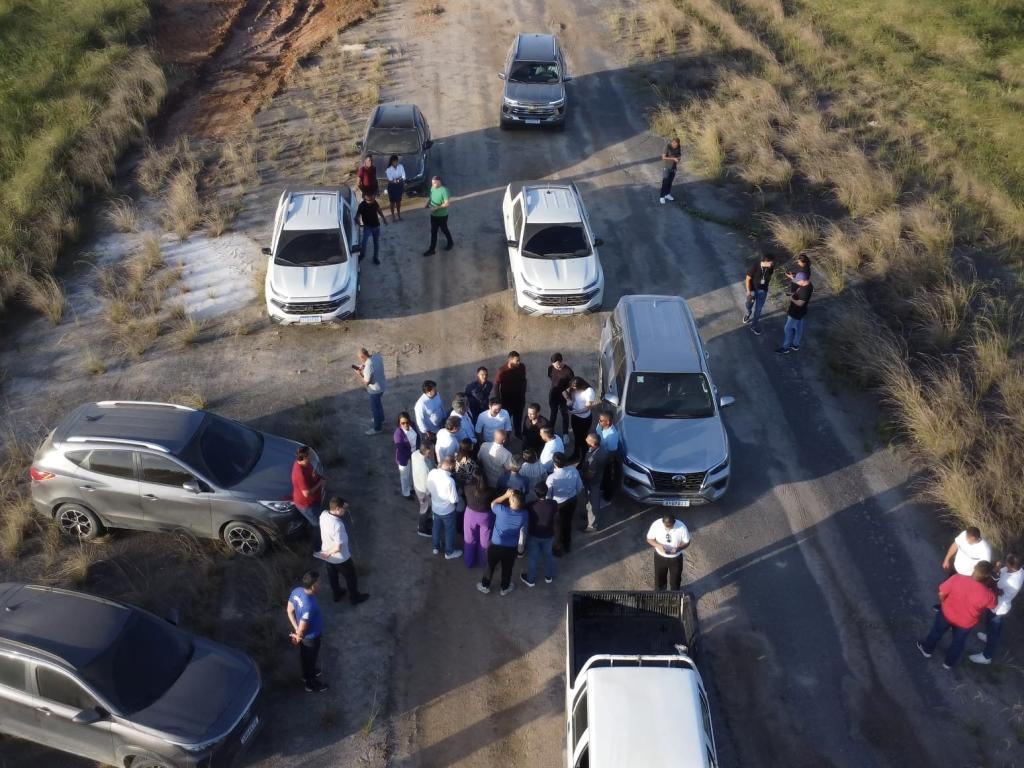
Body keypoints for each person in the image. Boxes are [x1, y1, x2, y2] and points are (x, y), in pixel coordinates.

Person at [918, 561, 997, 669]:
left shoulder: (957, 578)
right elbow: (993, 606)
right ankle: (948, 663)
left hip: (946, 614)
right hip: (965, 623)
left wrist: (943, 603)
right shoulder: (988, 595)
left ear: (974, 568)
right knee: (958, 642)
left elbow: (941, 593)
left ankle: (927, 650)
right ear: (988, 578)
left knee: (936, 632)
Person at [970, 554, 1022, 665]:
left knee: (994, 629)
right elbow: (997, 584)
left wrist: (996, 569)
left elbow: (993, 584)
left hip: (999, 607)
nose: (1004, 563)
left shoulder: (1011, 580)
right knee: (991, 625)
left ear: (1011, 566)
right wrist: (997, 573)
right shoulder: (1018, 570)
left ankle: (986, 656)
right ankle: (988, 637)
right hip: (999, 604)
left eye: (1007, 562)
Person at [317, 497, 370, 606]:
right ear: (337, 509)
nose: (344, 511)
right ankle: (354, 597)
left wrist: (326, 554)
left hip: (327, 554)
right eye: (343, 509)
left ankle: (337, 594)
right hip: (341, 558)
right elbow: (338, 547)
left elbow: (335, 505)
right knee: (351, 577)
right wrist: (329, 553)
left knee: (333, 576)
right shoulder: (337, 525)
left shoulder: (324, 515)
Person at [478, 489, 527, 596]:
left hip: (496, 546)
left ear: (512, 501)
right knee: (507, 568)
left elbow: (493, 503)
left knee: (490, 566)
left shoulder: (502, 510)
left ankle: (485, 586)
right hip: (511, 548)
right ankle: (504, 588)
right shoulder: (524, 515)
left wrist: (505, 495)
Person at [286, 570, 327, 692]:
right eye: (320, 582)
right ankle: (311, 684)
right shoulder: (309, 606)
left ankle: (306, 675)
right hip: (311, 638)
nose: (322, 583)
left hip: (304, 637)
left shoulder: (297, 591)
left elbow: (289, 610)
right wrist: (299, 633)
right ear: (313, 586)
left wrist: (296, 630)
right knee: (310, 659)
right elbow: (303, 627)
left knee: (305, 656)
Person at [522, 481, 557, 587]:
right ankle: (548, 576)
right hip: (548, 535)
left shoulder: (530, 505)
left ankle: (531, 580)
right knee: (548, 555)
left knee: (533, 557)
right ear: (546, 492)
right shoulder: (553, 503)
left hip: (534, 535)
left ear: (536, 493)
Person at [547, 452, 583, 555]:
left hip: (558, 505)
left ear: (554, 463)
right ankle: (567, 546)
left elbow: (548, 496)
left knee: (557, 528)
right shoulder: (573, 470)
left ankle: (558, 548)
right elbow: (579, 487)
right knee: (568, 523)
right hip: (572, 501)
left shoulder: (551, 478)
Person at [427, 456, 461, 559]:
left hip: (435, 508)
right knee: (449, 531)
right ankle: (449, 552)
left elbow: (428, 488)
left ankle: (435, 547)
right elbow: (454, 500)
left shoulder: (432, 472)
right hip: (447, 511)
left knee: (436, 528)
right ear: (450, 466)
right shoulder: (450, 481)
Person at [292, 446, 325, 551]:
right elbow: (306, 493)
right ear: (304, 458)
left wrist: (318, 478)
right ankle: (318, 548)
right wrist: (320, 483)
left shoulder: (306, 463)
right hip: (306, 504)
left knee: (315, 520)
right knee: (317, 525)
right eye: (309, 455)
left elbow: (312, 473)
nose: (312, 456)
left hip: (314, 499)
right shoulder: (299, 473)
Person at [647, 514, 691, 591]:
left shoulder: (682, 527)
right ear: (662, 522)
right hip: (660, 557)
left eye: (670, 527)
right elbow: (649, 539)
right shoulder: (656, 525)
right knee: (659, 579)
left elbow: (687, 542)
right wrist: (658, 546)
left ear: (674, 522)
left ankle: (674, 595)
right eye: (666, 526)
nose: (667, 529)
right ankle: (660, 596)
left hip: (676, 559)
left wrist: (678, 548)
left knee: (675, 580)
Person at [775, 271, 813, 355]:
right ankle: (795, 345)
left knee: (787, 328)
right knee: (799, 328)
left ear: (803, 280)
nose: (797, 282)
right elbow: (799, 287)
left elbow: (800, 303)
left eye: (798, 280)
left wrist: (792, 299)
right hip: (802, 312)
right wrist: (792, 278)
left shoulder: (805, 290)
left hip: (796, 312)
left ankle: (785, 347)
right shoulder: (807, 284)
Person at [463, 471, 494, 568]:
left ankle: (469, 562)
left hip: (470, 514)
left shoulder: (467, 488)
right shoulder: (489, 491)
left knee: (469, 539)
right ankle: (483, 563)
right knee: (485, 540)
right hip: (485, 516)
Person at [741, 250, 776, 336]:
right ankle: (748, 313)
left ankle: (754, 325)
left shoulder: (771, 267)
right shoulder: (754, 266)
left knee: (758, 310)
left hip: (762, 291)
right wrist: (749, 291)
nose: (773, 263)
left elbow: (768, 277)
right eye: (771, 261)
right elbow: (748, 279)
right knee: (748, 304)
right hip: (752, 290)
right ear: (766, 261)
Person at [579, 432, 608, 532]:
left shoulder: (594, 458)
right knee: (588, 500)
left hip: (593, 482)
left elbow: (590, 474)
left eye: (587, 439)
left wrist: (580, 476)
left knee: (593, 503)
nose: (586, 440)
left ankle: (592, 525)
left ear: (593, 443)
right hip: (595, 479)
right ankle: (588, 515)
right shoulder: (600, 449)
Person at [495, 351, 528, 439]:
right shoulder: (502, 370)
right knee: (506, 420)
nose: (519, 362)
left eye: (519, 360)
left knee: (518, 418)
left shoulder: (521, 367)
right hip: (507, 401)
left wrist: (523, 392)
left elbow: (524, 380)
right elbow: (496, 385)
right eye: (516, 361)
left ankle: (518, 434)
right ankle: (506, 437)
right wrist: (498, 400)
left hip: (519, 400)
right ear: (510, 360)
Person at [564, 376, 598, 461]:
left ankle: (583, 458)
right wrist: (568, 399)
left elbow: (587, 409)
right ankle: (576, 454)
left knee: (583, 440)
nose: (574, 390)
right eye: (573, 388)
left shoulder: (589, 392)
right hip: (575, 417)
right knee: (576, 437)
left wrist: (572, 412)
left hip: (584, 419)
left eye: (575, 388)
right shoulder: (573, 387)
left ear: (581, 386)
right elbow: (564, 391)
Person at [354, 347, 386, 435]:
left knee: (375, 409)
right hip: (382, 385)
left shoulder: (368, 366)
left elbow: (366, 382)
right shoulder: (377, 356)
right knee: (378, 404)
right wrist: (364, 365)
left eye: (360, 358)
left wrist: (360, 373)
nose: (360, 360)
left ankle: (377, 428)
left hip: (375, 390)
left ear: (362, 356)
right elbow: (374, 367)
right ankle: (381, 419)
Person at [423, 175, 453, 256]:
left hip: (442, 216)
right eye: (432, 183)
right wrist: (427, 203)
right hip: (433, 215)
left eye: (434, 183)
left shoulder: (444, 190)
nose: (432, 185)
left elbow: (447, 203)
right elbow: (431, 197)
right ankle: (432, 250)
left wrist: (437, 208)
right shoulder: (432, 188)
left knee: (444, 230)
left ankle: (450, 243)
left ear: (439, 182)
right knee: (433, 232)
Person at [356, 191, 388, 265]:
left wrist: (384, 219)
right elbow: (357, 215)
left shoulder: (375, 202)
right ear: (364, 198)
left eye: (372, 199)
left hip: (376, 227)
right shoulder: (362, 205)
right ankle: (362, 255)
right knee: (364, 242)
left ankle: (375, 258)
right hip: (367, 227)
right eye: (369, 200)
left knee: (376, 243)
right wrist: (357, 219)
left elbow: (379, 211)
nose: (371, 201)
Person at [393, 412, 420, 499]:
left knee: (413, 473)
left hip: (414, 454)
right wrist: (411, 455)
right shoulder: (398, 434)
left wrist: (417, 450)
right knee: (404, 476)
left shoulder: (413, 425)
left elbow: (418, 438)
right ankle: (406, 493)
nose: (405, 425)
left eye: (407, 422)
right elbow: (401, 448)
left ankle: (411, 488)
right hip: (404, 457)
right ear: (399, 423)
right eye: (402, 423)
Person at [547, 353, 574, 438]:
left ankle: (565, 433)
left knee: (564, 415)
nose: (557, 367)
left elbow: (572, 385)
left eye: (558, 365)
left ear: (561, 361)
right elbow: (551, 378)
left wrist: (568, 395)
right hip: (553, 395)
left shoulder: (568, 371)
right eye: (555, 366)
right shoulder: (550, 368)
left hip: (564, 397)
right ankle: (550, 432)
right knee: (553, 414)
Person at [595, 411, 620, 505]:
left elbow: (612, 453)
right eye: (599, 420)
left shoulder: (612, 435)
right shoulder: (600, 426)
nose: (599, 422)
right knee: (601, 477)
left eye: (601, 420)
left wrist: (603, 461)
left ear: (608, 422)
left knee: (607, 479)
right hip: (599, 456)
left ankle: (607, 499)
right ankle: (601, 489)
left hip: (606, 461)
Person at [411, 442, 435, 538]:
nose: (433, 453)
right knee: (425, 509)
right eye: (432, 451)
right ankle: (422, 529)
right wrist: (432, 495)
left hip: (417, 485)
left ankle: (423, 522)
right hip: (423, 491)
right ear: (427, 452)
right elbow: (427, 486)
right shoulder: (424, 468)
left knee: (424, 508)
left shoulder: (415, 453)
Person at [659, 137, 681, 205]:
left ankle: (667, 194)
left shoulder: (679, 147)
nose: (675, 145)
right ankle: (662, 197)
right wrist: (673, 158)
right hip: (667, 167)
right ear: (672, 142)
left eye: (676, 144)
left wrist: (678, 159)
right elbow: (663, 157)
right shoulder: (667, 147)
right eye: (674, 144)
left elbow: (679, 155)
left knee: (670, 182)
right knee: (665, 182)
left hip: (673, 167)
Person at [385, 154, 405, 220]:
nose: (395, 163)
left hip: (399, 186)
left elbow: (404, 176)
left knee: (398, 202)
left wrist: (397, 179)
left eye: (396, 161)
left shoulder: (401, 166)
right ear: (391, 162)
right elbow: (390, 180)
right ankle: (393, 216)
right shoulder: (388, 169)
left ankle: (399, 215)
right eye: (394, 161)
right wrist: (398, 178)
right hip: (392, 187)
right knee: (392, 202)